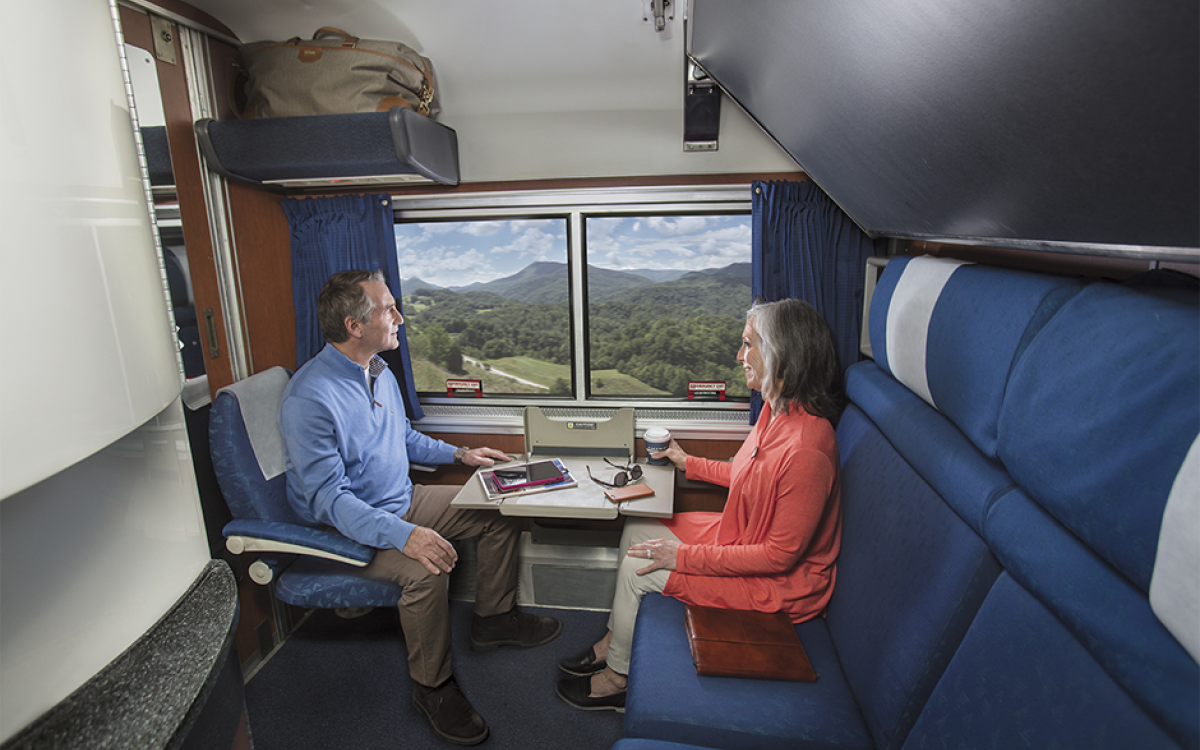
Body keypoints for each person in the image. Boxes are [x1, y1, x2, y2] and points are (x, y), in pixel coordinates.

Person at [280, 269, 561, 746]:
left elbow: (403, 437)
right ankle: (432, 687)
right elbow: (328, 500)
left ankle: (494, 620)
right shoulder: (310, 397)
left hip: (402, 500)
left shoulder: (378, 372)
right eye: (388, 309)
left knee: (500, 504)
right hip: (347, 532)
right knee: (426, 568)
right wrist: (403, 535)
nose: (399, 318)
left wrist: (460, 455)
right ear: (354, 326)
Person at [555, 298, 844, 711]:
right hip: (741, 537)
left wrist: (685, 557)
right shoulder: (776, 413)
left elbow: (780, 557)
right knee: (637, 527)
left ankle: (617, 678)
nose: (739, 356)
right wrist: (686, 461)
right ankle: (613, 640)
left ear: (783, 353)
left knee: (641, 567)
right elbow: (747, 475)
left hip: (778, 584)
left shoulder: (808, 450)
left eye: (748, 345)